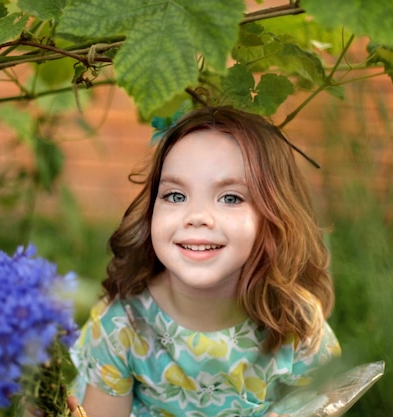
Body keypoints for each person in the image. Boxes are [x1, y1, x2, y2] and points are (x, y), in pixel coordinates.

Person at [68, 106, 341, 417]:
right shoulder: (122, 325)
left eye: (231, 198)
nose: (197, 216)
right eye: (175, 195)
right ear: (150, 211)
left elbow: (324, 404)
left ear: (275, 217)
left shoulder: (297, 323)